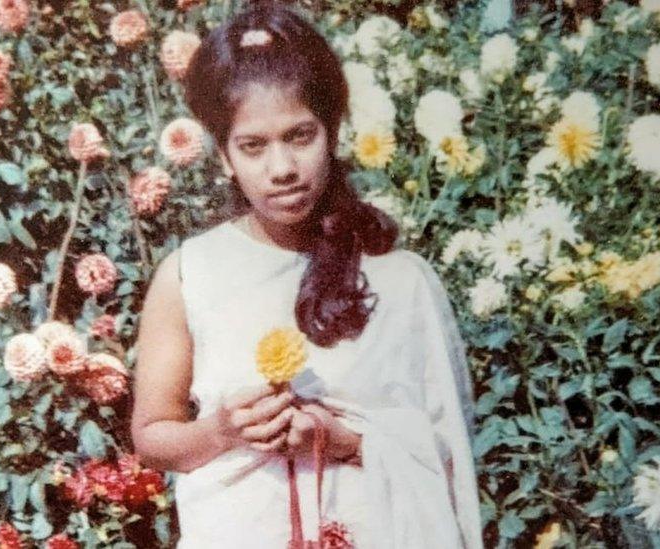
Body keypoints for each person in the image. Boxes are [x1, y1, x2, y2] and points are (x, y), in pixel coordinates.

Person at [130, 2, 483, 548]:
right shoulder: (188, 275)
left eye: (300, 135)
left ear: (332, 132)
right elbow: (153, 436)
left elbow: (446, 450)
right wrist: (220, 431)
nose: (282, 168)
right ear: (224, 156)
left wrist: (341, 441)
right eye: (253, 146)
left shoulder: (398, 279)